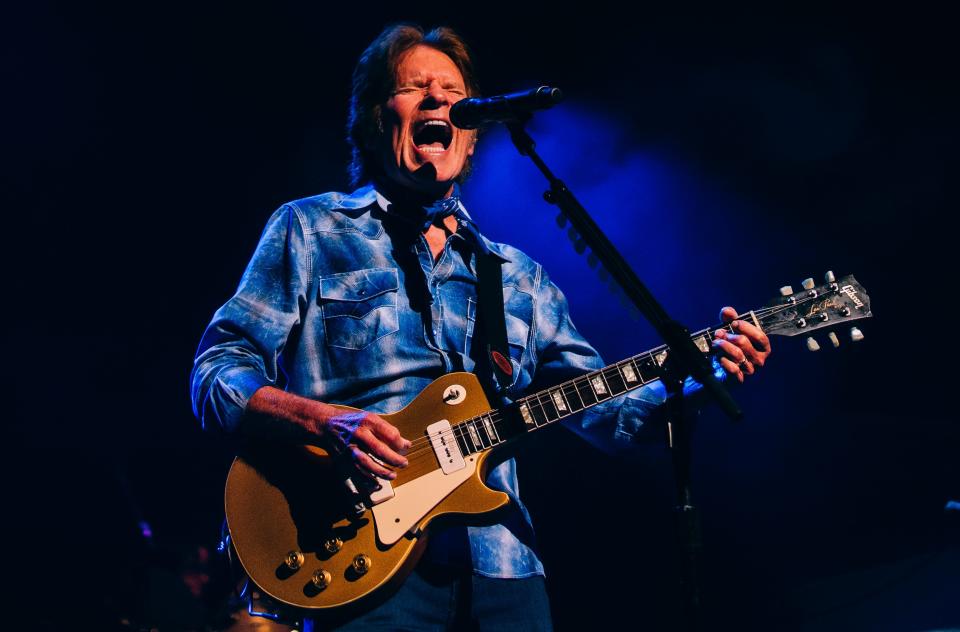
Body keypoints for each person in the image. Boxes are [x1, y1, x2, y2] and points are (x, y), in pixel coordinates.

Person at [190, 23, 771, 631]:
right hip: (354, 556)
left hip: (503, 569)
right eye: (417, 87)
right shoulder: (310, 230)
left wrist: (698, 379)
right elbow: (217, 370)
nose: (440, 99)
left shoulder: (517, 277)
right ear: (373, 117)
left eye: (453, 91)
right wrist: (326, 421)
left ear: (470, 140)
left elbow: (610, 415)